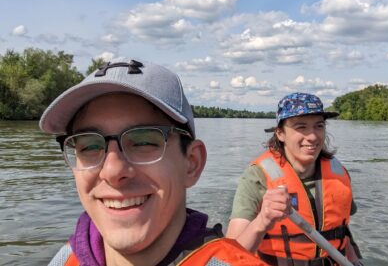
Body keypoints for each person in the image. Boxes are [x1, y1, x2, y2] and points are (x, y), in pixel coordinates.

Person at [40, 57, 267, 266]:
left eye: (143, 142)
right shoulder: (63, 260)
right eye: (89, 145)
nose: (112, 170)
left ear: (191, 163)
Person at [226, 92, 363, 266]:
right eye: (301, 127)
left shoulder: (339, 173)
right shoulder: (257, 176)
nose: (312, 136)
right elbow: (229, 255)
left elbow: (341, 232)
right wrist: (262, 221)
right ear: (280, 133)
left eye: (319, 126)